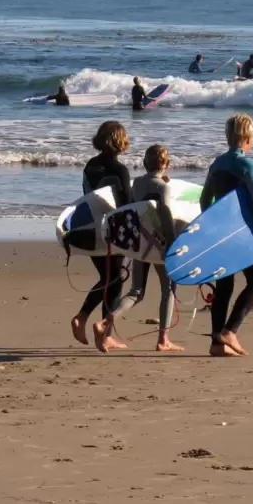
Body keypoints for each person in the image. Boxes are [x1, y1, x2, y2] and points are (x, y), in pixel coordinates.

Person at [199, 113, 253, 357]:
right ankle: (230, 331)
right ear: (248, 138)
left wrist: (211, 226)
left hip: (219, 231)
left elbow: (205, 199)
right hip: (241, 232)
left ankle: (216, 344)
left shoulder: (217, 164)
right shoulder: (249, 165)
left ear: (228, 137)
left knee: (224, 286)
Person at [94, 144, 182, 353]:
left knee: (136, 292)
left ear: (144, 163)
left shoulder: (138, 184)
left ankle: (105, 322)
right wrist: (173, 244)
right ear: (167, 165)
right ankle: (163, 340)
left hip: (140, 244)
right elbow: (166, 216)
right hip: (160, 246)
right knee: (168, 289)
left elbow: (138, 209)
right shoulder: (165, 188)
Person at [70, 121, 133, 350]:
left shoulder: (90, 166)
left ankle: (98, 329)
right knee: (115, 279)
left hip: (89, 229)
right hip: (113, 232)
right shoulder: (120, 170)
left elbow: (89, 197)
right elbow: (128, 204)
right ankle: (89, 320)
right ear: (119, 141)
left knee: (109, 279)